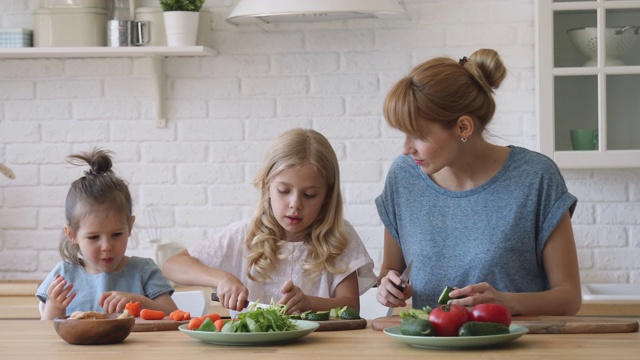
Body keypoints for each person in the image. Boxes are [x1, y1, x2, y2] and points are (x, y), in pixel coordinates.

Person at [375, 49, 582, 316]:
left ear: (463, 127)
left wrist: (508, 302)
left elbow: (569, 297)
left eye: (418, 135)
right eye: (403, 134)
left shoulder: (536, 177)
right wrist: (388, 287)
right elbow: (389, 270)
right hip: (428, 350)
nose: (406, 148)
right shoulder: (403, 177)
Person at [162, 128, 377, 314]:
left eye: (310, 195)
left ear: (327, 197)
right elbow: (172, 266)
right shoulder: (242, 236)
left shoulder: (339, 236)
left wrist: (310, 303)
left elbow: (350, 307)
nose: (295, 204)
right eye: (284, 191)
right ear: (267, 187)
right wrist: (221, 279)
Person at [36, 148, 177, 320]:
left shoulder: (144, 271)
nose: (107, 247)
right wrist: (54, 306)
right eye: (94, 237)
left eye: (116, 234)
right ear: (71, 234)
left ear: (130, 226)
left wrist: (138, 301)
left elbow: (174, 315)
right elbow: (46, 330)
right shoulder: (64, 275)